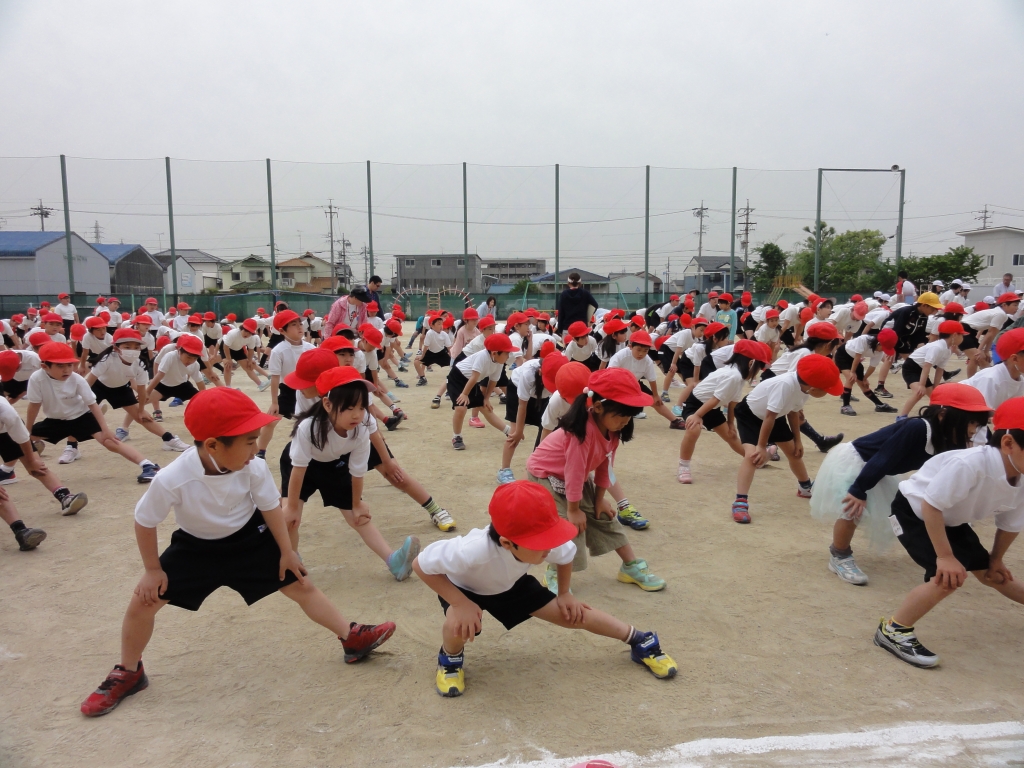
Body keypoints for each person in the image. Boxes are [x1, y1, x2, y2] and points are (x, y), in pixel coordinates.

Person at [79, 388, 396, 717]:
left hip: (249, 539)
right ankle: (129, 672)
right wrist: (152, 570)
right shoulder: (173, 478)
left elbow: (271, 508)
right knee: (142, 602)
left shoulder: (253, 467)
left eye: (257, 438)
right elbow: (144, 521)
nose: (255, 448)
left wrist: (287, 551)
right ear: (214, 445)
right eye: (248, 441)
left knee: (302, 584)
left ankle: (351, 638)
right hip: (195, 547)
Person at [412, 480, 677, 697]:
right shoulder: (471, 552)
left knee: (572, 615)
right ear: (507, 543)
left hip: (512, 585)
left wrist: (564, 593)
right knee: (458, 626)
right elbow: (420, 564)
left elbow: (565, 555)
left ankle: (638, 639)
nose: (549, 547)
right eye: (541, 544)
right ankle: (450, 658)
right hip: (463, 588)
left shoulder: (542, 542)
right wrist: (459, 604)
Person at [873, 397, 1024, 669]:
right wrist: (944, 556)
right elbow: (931, 505)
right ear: (1008, 443)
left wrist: (996, 558)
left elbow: (1010, 523)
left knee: (994, 575)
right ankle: (893, 630)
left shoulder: (1021, 474)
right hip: (915, 512)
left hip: (950, 519)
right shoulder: (972, 464)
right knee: (949, 577)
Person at [811, 383, 991, 586]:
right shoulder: (918, 428)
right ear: (942, 415)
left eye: (978, 424)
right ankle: (839, 555)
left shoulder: (949, 439)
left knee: (884, 508)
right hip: (858, 462)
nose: (974, 430)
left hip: (879, 470)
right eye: (971, 422)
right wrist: (858, 490)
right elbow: (883, 457)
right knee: (853, 509)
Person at [526, 368, 667, 593]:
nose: (625, 421)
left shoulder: (613, 430)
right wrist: (573, 509)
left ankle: (630, 567)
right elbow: (573, 471)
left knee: (605, 517)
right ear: (598, 407)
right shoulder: (580, 432)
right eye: (620, 414)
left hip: (575, 478)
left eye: (629, 415)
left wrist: (600, 499)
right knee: (569, 526)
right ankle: (554, 572)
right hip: (546, 475)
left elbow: (604, 466)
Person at [280, 366, 422, 579]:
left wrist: (356, 504)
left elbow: (357, 470)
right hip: (300, 468)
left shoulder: (362, 426)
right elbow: (298, 469)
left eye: (362, 407)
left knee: (360, 517)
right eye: (348, 408)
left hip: (334, 466)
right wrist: (291, 506)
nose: (357, 414)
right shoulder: (308, 427)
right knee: (291, 518)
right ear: (327, 404)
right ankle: (292, 560)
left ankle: (394, 561)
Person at [730, 354, 844, 524]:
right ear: (813, 388)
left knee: (794, 453)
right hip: (751, 415)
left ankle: (805, 487)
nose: (828, 393)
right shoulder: (785, 385)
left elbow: (793, 412)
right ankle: (740, 501)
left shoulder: (804, 389)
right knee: (752, 456)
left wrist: (797, 440)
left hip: (776, 416)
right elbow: (768, 417)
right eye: (826, 389)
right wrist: (761, 446)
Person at [25, 342, 160, 482]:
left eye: (69, 365)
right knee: (21, 440)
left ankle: (149, 466)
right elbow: (34, 405)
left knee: (110, 442)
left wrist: (105, 430)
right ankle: (8, 470)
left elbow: (93, 404)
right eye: (60, 366)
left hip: (81, 417)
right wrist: (27, 430)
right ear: (44, 366)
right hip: (55, 420)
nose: (66, 370)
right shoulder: (37, 379)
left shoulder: (77, 379)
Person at [677, 340, 771, 484]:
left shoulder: (738, 377)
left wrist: (731, 423)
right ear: (751, 363)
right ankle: (683, 466)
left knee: (731, 436)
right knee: (693, 429)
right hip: (695, 405)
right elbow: (715, 399)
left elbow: (733, 402)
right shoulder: (732, 375)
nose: (757, 373)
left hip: (711, 408)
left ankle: (753, 459)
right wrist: (696, 416)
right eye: (758, 368)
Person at [85, 329, 190, 452]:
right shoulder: (107, 359)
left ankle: (170, 440)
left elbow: (141, 390)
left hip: (121, 389)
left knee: (143, 417)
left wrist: (141, 410)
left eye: (136, 347)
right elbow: (89, 382)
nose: (132, 351)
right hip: (99, 387)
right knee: (75, 415)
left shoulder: (140, 364)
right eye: (127, 347)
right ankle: (72, 447)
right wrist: (87, 402)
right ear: (116, 348)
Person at [256, 310, 314, 460]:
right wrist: (274, 402)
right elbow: (275, 378)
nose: (300, 327)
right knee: (270, 421)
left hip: (309, 390)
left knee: (313, 422)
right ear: (282, 331)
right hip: (288, 390)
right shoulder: (278, 351)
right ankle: (260, 452)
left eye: (300, 324)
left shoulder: (310, 348)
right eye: (294, 325)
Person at [448, 333, 514, 450]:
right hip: (457, 378)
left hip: (471, 382)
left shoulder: (499, 363)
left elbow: (493, 382)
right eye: (507, 353)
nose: (509, 356)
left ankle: (509, 431)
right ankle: (456, 437)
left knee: (485, 407)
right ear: (494, 353)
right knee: (461, 407)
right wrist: (464, 394)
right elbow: (474, 377)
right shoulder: (482, 357)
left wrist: (486, 399)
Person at [896, 320, 964, 418]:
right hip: (911, 368)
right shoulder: (937, 347)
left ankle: (932, 416)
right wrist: (921, 385)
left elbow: (940, 369)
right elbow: (927, 366)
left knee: (935, 395)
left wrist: (936, 387)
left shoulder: (947, 350)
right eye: (961, 335)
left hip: (921, 369)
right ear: (954, 335)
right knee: (918, 393)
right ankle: (902, 418)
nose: (963, 338)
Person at [835, 329, 899, 416]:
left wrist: (865, 378)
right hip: (843, 355)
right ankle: (845, 406)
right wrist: (852, 372)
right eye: (883, 348)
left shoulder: (879, 352)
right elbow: (857, 357)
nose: (882, 351)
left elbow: (872, 366)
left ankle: (879, 405)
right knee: (851, 379)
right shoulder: (864, 339)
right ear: (879, 343)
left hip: (855, 360)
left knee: (863, 384)